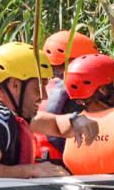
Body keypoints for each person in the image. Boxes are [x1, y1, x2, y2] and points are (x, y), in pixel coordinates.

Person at [0, 42, 100, 183]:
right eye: (37, 88)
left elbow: (55, 125)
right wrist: (33, 170)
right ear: (15, 85)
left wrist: (75, 120)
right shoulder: (1, 121)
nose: (44, 96)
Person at [35, 30, 100, 162]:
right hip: (63, 167)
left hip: (39, 162)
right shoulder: (76, 92)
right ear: (73, 61)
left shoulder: (35, 89)